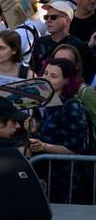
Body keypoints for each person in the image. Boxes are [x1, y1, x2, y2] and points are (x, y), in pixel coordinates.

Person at [32, 57, 94, 203]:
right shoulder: (49, 101)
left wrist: (44, 147)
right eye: (45, 73)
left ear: (66, 80)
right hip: (47, 174)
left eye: (53, 76)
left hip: (66, 179)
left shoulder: (72, 106)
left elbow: (75, 149)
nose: (46, 78)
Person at [31, 0, 96, 76]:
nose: (48, 20)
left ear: (67, 21)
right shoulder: (40, 41)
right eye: (46, 17)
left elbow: (89, 73)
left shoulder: (79, 46)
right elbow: (32, 67)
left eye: (53, 17)